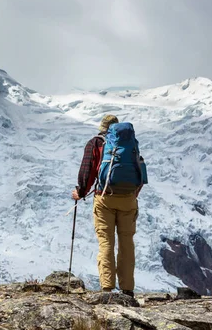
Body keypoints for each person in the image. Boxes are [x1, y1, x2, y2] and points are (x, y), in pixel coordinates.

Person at [72, 114, 141, 297]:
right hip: (128, 199)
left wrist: (80, 192)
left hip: (105, 198)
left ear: (102, 127)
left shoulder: (96, 143)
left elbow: (87, 171)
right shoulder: (130, 143)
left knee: (106, 242)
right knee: (127, 243)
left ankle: (107, 288)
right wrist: (133, 194)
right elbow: (140, 171)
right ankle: (127, 289)